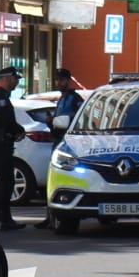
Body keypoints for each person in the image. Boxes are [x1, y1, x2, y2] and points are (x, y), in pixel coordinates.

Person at [34, 68, 84, 229]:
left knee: (62, 180)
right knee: (52, 180)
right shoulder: (62, 98)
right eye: (57, 80)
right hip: (57, 142)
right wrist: (50, 121)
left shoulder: (74, 99)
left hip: (68, 144)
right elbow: (58, 122)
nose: (59, 82)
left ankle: (56, 215)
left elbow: (78, 120)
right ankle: (50, 216)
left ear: (68, 80)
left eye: (61, 80)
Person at [0, 66, 27, 230]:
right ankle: (3, 219)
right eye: (16, 79)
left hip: (0, 142)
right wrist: (19, 130)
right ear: (8, 78)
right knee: (6, 182)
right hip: (0, 143)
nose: (16, 82)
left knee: (0, 181)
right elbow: (7, 120)